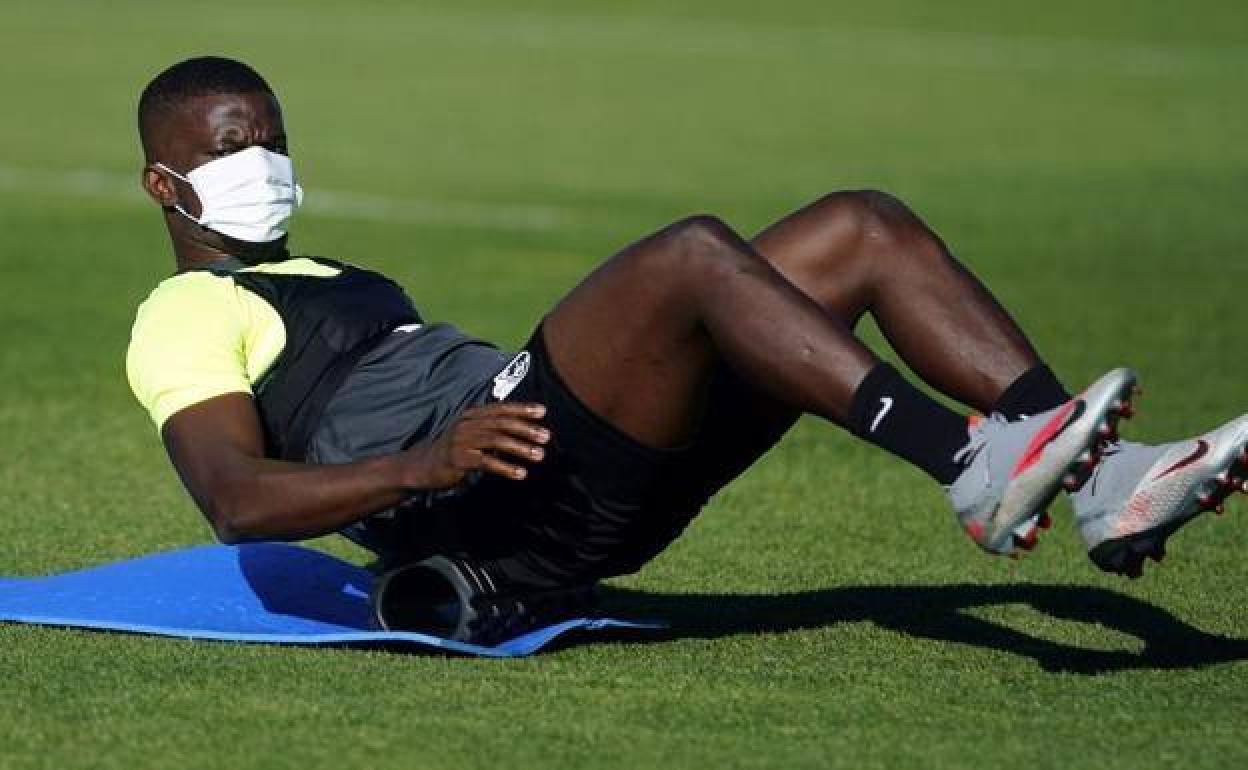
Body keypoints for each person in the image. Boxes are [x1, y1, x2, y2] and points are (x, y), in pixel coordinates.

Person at [127, 57, 1246, 641]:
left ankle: (1103, 478)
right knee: (690, 256)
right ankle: (972, 463)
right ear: (163, 183)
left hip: (558, 464)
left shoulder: (325, 278)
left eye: (272, 139)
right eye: (233, 148)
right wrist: (423, 468)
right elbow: (235, 495)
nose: (262, 161)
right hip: (496, 504)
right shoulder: (182, 310)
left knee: (859, 225)